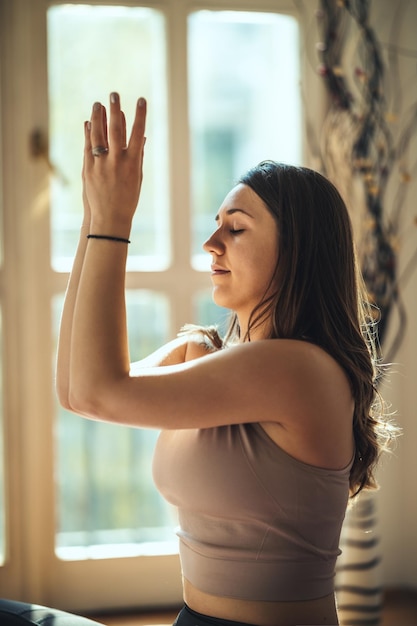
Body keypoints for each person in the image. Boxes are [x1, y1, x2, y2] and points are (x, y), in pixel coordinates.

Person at [56, 93, 395, 626]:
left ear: (298, 252)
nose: (211, 243)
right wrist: (96, 216)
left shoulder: (298, 370)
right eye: (216, 224)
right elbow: (79, 392)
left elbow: (100, 389)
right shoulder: (209, 351)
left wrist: (115, 222)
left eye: (235, 228)